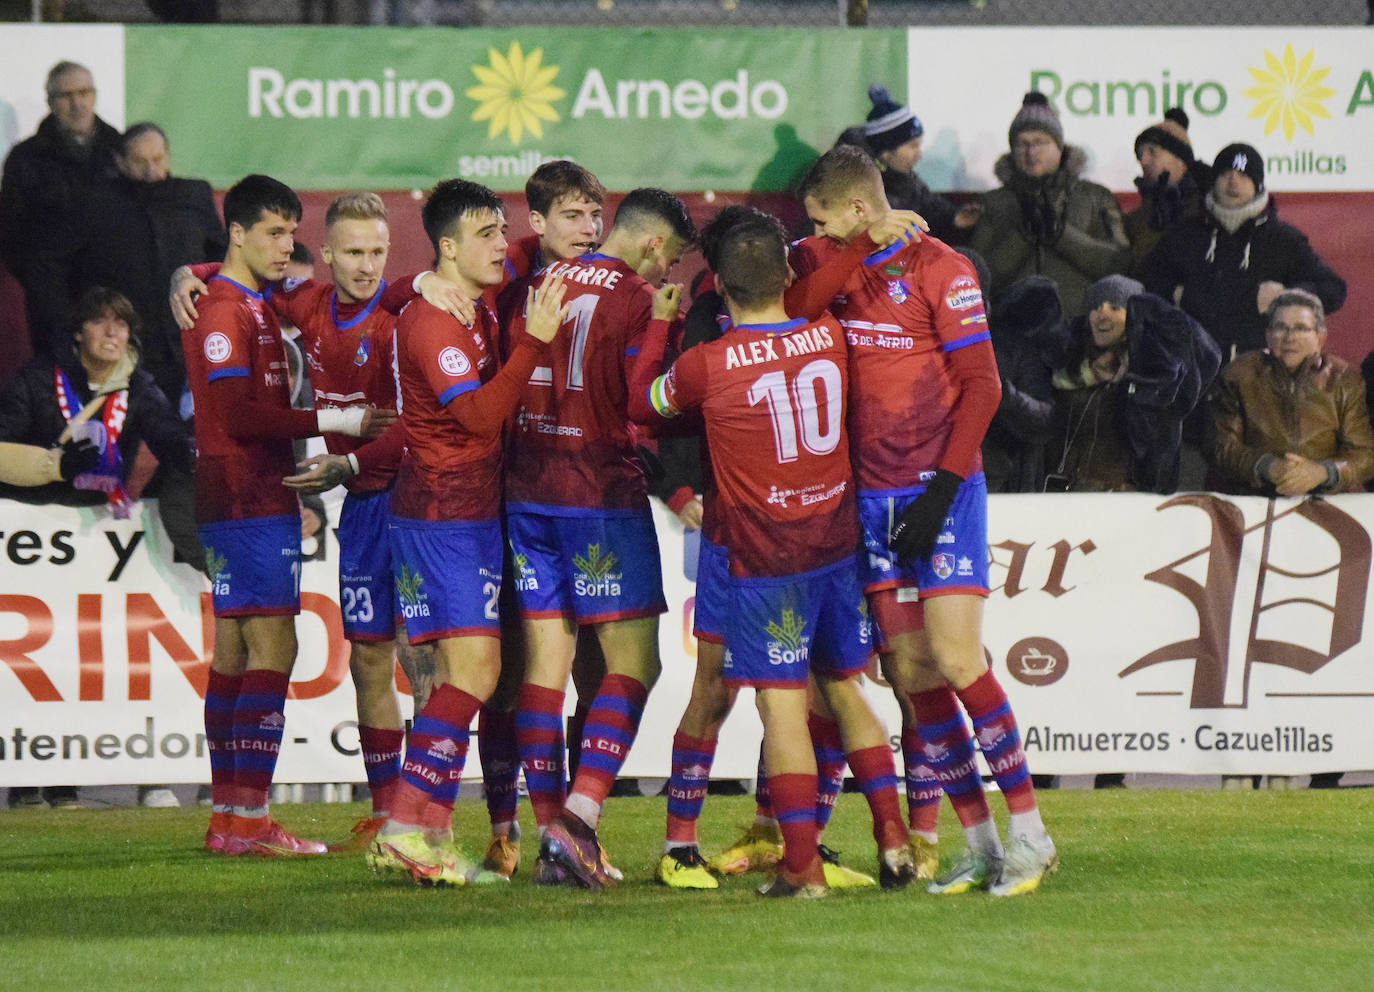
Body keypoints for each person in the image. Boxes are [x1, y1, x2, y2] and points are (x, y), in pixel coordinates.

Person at [791, 144, 1056, 897]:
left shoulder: (944, 268)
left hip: (941, 488)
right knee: (910, 674)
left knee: (957, 657)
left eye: (822, 219)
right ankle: (978, 844)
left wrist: (941, 489)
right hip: (868, 496)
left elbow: (983, 386)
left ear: (857, 207)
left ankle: (1031, 834)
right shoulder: (829, 260)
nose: (813, 232)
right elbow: (802, 308)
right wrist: (854, 252)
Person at [175, 191, 474, 852]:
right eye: (356, 252)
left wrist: (350, 456)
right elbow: (232, 276)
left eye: (379, 252)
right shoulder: (298, 304)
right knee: (366, 658)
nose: (368, 266)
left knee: (421, 658)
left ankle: (425, 813)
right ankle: (380, 805)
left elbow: (419, 424)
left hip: (415, 499)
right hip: (351, 503)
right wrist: (186, 274)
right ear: (327, 254)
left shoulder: (404, 316)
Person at [633, 209, 915, 898]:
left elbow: (644, 405)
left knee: (780, 706)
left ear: (720, 287)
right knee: (845, 689)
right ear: (788, 275)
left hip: (764, 560)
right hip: (836, 548)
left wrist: (661, 324)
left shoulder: (707, 364)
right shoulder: (829, 336)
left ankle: (800, 868)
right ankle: (896, 842)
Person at [364, 178, 568, 886]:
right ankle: (403, 823)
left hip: (464, 513)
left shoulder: (463, 292)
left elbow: (517, 249)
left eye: (497, 229)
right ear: (448, 247)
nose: (498, 245)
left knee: (460, 677)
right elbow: (478, 417)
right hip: (444, 515)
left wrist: (420, 278)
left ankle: (424, 833)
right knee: (476, 674)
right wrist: (534, 345)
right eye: (484, 234)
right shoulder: (433, 323)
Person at [188, 174, 394, 858]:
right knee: (274, 648)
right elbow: (238, 414)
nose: (286, 247)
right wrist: (341, 417)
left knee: (237, 649)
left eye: (290, 234)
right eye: (273, 234)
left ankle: (230, 817)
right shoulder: (225, 311)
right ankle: (248, 819)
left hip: (240, 492)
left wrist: (181, 273)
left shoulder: (247, 301)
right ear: (238, 233)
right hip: (246, 490)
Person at [498, 188, 695, 889]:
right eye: (669, 254)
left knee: (545, 665)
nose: (669, 268)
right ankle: (576, 823)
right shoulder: (641, 297)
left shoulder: (545, 278)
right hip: (598, 494)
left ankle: (552, 832)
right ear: (650, 245)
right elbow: (643, 404)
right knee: (636, 666)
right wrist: (667, 331)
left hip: (528, 492)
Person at [0, 286, 196, 810]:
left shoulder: (138, 385)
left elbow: (164, 430)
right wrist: (54, 467)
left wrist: (193, 455)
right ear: (78, 332)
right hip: (35, 534)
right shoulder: (38, 380)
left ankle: (96, 773)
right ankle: (28, 780)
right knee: (39, 656)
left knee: (100, 656)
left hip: (102, 535)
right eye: (101, 322)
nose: (113, 333)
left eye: (122, 324)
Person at [27, 122, 226, 404]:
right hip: (119, 346)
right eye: (140, 162)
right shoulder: (94, 204)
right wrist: (69, 324)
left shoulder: (193, 196)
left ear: (168, 156)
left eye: (157, 160)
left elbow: (221, 255)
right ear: (119, 162)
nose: (150, 171)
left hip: (187, 343)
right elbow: (48, 266)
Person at [1140, 143, 1347, 361]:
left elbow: (1333, 289)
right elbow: (1147, 286)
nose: (1233, 181)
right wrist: (1176, 296)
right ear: (1214, 181)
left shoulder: (1283, 240)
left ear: (1257, 184)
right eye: (1225, 174)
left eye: (1243, 175)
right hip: (1193, 372)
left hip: (1260, 377)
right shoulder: (1184, 235)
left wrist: (1284, 296)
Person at [1047, 275, 1221, 496]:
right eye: (1096, 307)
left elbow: (1208, 355)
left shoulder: (1156, 375)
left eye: (1115, 307)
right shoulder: (1067, 363)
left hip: (1125, 500)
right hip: (1064, 495)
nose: (1103, 314)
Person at [968, 92, 1130, 317]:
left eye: (1040, 143)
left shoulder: (1095, 197)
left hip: (1077, 326)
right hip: (1013, 327)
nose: (1031, 152)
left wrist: (1062, 235)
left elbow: (1120, 265)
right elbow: (976, 279)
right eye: (1022, 144)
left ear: (1059, 147)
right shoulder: (994, 203)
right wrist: (1020, 238)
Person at [0, 61, 122, 353]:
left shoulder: (120, 150)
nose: (77, 103)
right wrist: (39, 279)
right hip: (52, 301)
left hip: (113, 295)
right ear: (50, 102)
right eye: (66, 96)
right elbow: (10, 231)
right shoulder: (25, 158)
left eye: (83, 92)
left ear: (94, 95)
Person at [1208, 289, 1374, 499]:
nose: (1290, 338)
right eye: (1280, 328)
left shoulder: (1345, 380)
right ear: (1268, 335)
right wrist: (1268, 467)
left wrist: (1322, 472)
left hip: (1325, 503)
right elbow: (1220, 446)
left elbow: (1365, 455)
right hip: (1253, 501)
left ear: (1320, 337)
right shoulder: (1239, 375)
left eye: (1301, 328)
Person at [836, 85, 977, 244]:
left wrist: (954, 217)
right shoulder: (867, 191)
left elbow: (931, 205)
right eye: (912, 146)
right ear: (886, 153)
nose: (919, 155)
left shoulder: (905, 179)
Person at [1123, 109, 1207, 275]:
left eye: (1152, 152)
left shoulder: (1208, 209)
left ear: (1180, 160)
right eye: (1140, 155)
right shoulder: (1134, 219)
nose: (1143, 161)